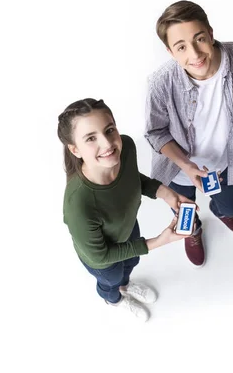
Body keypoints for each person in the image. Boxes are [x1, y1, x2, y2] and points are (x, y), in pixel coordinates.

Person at [145, 0, 233, 267]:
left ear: (210, 33)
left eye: (199, 39)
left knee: (231, 206)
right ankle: (194, 229)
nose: (195, 54)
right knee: (185, 210)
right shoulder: (160, 83)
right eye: (181, 47)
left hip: (224, 164)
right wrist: (186, 166)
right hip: (178, 168)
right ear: (170, 51)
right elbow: (156, 132)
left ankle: (222, 212)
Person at [59, 98, 194, 321]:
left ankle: (126, 285)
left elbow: (132, 179)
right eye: (91, 138)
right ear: (75, 149)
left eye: (109, 130)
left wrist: (166, 193)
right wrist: (161, 240)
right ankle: (114, 298)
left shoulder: (126, 147)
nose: (108, 144)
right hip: (102, 259)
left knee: (131, 263)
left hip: (127, 227)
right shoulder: (78, 203)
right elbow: (101, 255)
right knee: (111, 280)